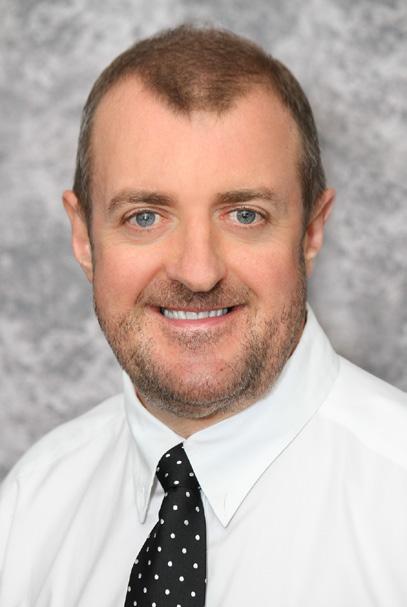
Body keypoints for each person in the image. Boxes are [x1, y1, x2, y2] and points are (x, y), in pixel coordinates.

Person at [0, 24, 406, 607]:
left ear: (312, 231)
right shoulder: (32, 504)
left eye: (244, 215)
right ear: (84, 239)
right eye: (145, 217)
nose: (197, 273)